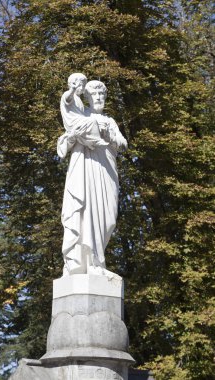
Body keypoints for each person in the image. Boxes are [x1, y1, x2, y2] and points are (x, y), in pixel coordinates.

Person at [59, 77, 127, 276]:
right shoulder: (81, 116)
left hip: (106, 171)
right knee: (86, 211)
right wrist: (72, 92)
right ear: (87, 97)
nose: (98, 97)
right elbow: (67, 109)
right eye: (94, 94)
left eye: (101, 94)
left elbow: (123, 144)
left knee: (108, 218)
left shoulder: (109, 121)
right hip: (85, 171)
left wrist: (109, 135)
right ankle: (90, 263)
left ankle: (98, 260)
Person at [57, 73, 107, 159]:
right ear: (72, 84)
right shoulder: (69, 94)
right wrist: (72, 90)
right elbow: (67, 99)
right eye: (80, 85)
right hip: (74, 123)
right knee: (91, 121)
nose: (82, 88)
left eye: (83, 86)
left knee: (90, 122)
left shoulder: (79, 99)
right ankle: (96, 140)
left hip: (80, 122)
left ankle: (90, 143)